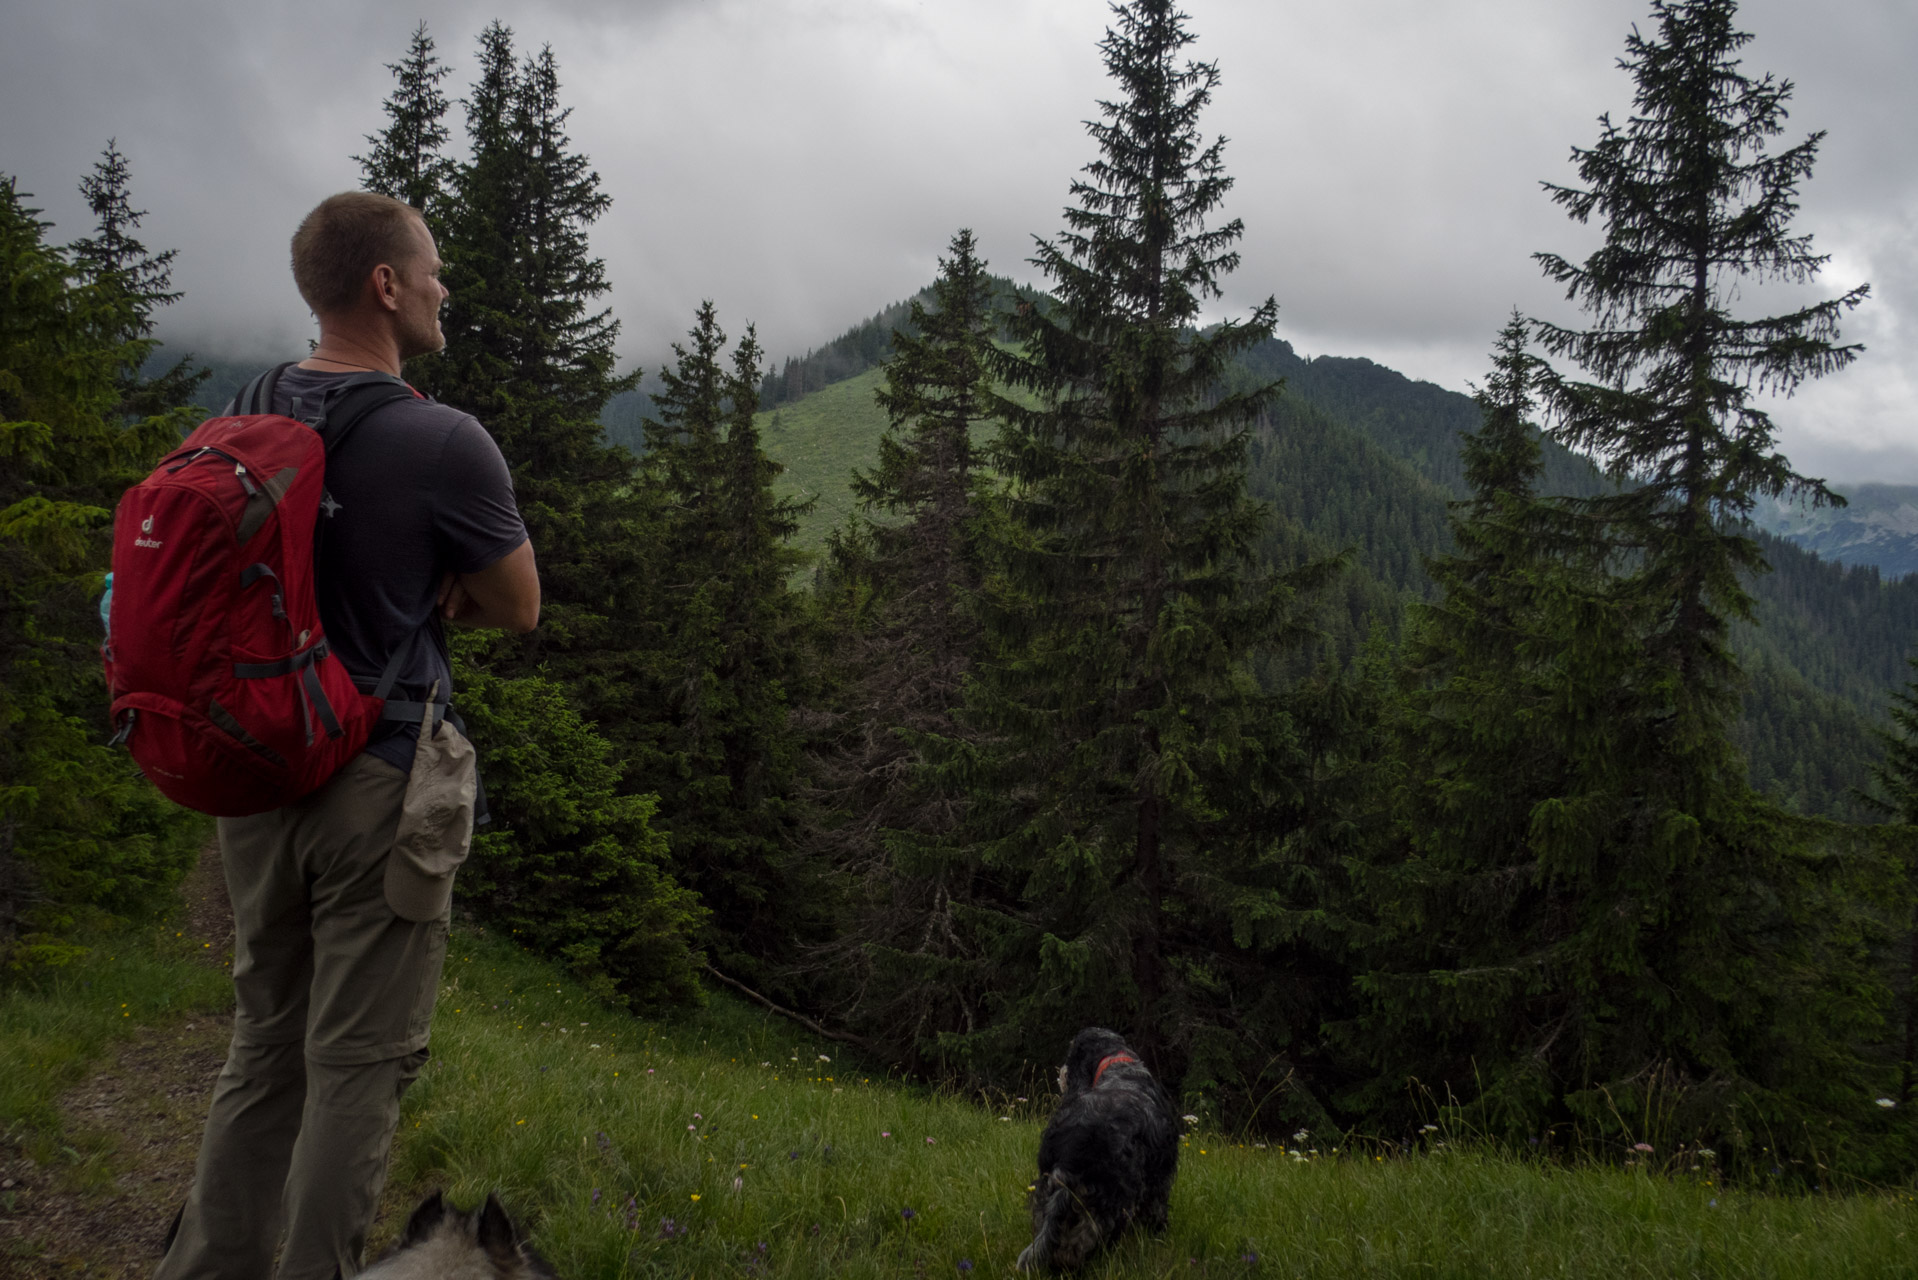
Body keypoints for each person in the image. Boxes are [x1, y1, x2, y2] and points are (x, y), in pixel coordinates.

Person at [155, 191, 539, 1280]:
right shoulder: (441, 438)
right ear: (384, 284)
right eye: (430, 268)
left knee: (263, 1047)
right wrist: (438, 589)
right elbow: (518, 602)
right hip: (377, 779)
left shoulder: (240, 412)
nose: (442, 285)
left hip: (256, 778)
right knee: (356, 1064)